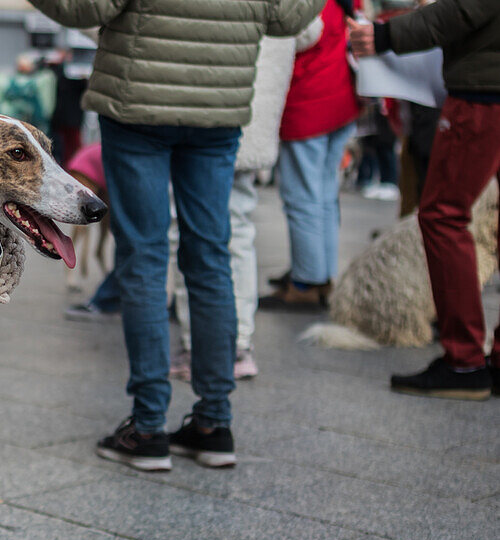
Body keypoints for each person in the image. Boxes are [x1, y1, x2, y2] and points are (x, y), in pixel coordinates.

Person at [29, 0, 325, 471]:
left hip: (137, 102)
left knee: (144, 256)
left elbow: (84, 7)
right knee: (209, 258)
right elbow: (291, 17)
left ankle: (147, 428)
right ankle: (214, 423)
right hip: (218, 105)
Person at [348, 0, 500, 399]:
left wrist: (386, 35)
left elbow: (467, 8)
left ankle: (463, 360)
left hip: (484, 93)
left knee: (441, 215)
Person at [172, 28, 321, 383]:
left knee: (187, 228)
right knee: (238, 225)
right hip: (257, 109)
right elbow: (310, 29)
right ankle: (238, 346)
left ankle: (201, 347)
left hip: (209, 104)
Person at [260, 0, 360, 311]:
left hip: (309, 99)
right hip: (339, 95)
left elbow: (300, 33)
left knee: (301, 197)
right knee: (325, 195)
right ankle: (321, 275)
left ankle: (306, 282)